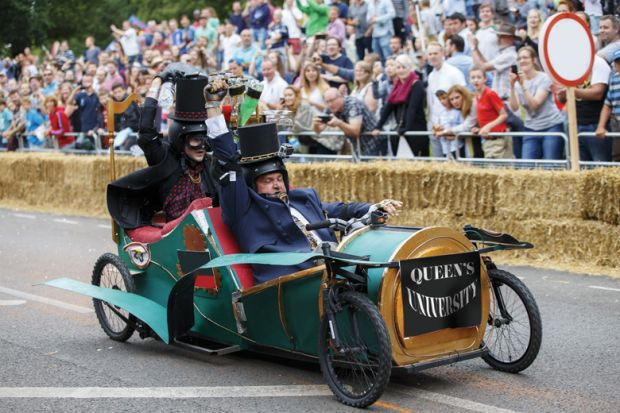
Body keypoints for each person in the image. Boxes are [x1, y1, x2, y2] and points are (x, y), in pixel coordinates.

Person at [204, 80, 402, 283]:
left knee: (384, 272)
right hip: (289, 284)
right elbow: (228, 161)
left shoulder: (304, 198)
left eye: (279, 178)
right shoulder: (243, 210)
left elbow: (343, 210)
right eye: (268, 180)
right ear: (252, 185)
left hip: (333, 271)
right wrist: (212, 107)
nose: (276, 184)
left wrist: (374, 207)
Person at [108, 65, 220, 229]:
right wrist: (156, 83)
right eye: (196, 140)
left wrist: (215, 101)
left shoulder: (210, 164)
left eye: (205, 139)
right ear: (181, 139)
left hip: (213, 233)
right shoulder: (165, 158)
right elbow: (146, 131)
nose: (202, 146)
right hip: (177, 236)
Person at [508, 46, 565, 160]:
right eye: (519, 59)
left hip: (551, 126)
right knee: (527, 167)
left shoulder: (544, 78)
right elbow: (514, 108)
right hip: (531, 127)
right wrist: (512, 86)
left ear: (534, 60)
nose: (522, 61)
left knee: (551, 165)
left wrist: (523, 86)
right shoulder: (518, 83)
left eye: (525, 57)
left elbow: (535, 105)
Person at [372, 54, 427, 156]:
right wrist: (378, 126)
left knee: (419, 159)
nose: (401, 70)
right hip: (401, 127)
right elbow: (389, 106)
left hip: (415, 127)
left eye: (404, 67)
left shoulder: (416, 84)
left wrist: (407, 128)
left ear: (410, 68)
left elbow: (412, 108)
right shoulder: (397, 84)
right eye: (398, 67)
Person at [426, 42, 466, 157]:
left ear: (442, 53)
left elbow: (463, 98)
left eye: (435, 53)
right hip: (437, 125)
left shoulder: (454, 72)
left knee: (457, 158)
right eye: (430, 54)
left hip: (453, 124)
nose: (433, 56)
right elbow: (432, 102)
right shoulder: (431, 76)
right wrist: (434, 123)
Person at [314, 87, 380, 156]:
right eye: (327, 101)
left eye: (332, 100)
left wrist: (339, 123)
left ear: (340, 97)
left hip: (375, 143)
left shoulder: (353, 104)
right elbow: (318, 130)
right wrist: (315, 124)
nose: (330, 104)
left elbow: (355, 132)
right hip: (359, 147)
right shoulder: (330, 107)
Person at [470, 65, 511, 159]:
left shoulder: (490, 94)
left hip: (497, 139)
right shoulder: (477, 96)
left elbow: (504, 115)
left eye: (479, 77)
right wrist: (478, 128)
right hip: (487, 140)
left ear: (485, 79)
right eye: (473, 77)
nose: (476, 80)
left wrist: (487, 127)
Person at [595, 49, 620, 161]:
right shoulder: (614, 79)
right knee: (616, 156)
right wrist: (601, 126)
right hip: (617, 122)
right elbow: (607, 105)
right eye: (618, 62)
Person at [280, 85, 315, 152]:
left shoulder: (304, 106)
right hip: (295, 138)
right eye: (285, 96)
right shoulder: (288, 108)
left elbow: (299, 126)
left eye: (290, 95)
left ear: (297, 95)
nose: (287, 98)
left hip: (309, 138)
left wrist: (284, 120)